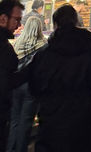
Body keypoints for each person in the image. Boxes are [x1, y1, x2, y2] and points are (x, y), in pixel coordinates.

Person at [29, 4, 91, 152]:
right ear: (76, 22)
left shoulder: (44, 54)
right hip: (84, 119)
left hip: (52, 121)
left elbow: (34, 87)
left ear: (55, 24)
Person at [7, 16, 47, 152]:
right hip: (31, 87)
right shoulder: (43, 45)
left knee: (14, 120)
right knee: (26, 122)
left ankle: (10, 148)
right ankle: (20, 149)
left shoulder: (17, 43)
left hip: (16, 85)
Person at [1, 0, 24, 151]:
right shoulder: (3, 48)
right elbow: (6, 82)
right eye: (16, 19)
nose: (19, 25)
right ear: (3, 18)